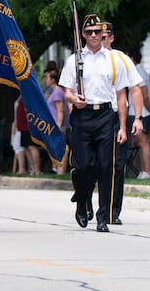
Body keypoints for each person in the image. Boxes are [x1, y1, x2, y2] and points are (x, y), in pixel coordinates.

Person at [59, 13, 136, 232]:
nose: (94, 35)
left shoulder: (113, 60)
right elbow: (66, 90)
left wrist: (122, 127)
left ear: (104, 34)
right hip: (82, 117)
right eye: (89, 32)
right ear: (83, 34)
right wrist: (74, 99)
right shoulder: (74, 59)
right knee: (84, 166)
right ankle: (82, 200)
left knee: (105, 167)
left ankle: (103, 216)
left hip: (105, 116)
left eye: (97, 32)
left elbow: (122, 96)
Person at [100, 21, 144, 224]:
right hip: (94, 117)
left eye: (105, 37)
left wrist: (138, 118)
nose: (101, 40)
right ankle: (88, 203)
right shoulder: (85, 59)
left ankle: (112, 211)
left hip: (118, 117)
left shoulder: (121, 59)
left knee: (117, 165)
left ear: (111, 38)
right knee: (93, 165)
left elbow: (135, 88)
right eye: (98, 36)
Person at [128, 51, 150, 180]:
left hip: (142, 113)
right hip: (137, 112)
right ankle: (143, 170)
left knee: (143, 142)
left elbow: (145, 95)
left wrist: (147, 110)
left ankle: (147, 170)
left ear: (132, 58)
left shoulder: (138, 72)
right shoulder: (137, 71)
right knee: (139, 142)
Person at [43, 68, 69, 174]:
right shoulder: (54, 92)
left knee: (59, 148)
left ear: (53, 79)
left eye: (46, 77)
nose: (45, 80)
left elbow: (60, 110)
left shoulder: (58, 92)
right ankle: (57, 169)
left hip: (58, 125)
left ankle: (60, 170)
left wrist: (58, 125)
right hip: (53, 124)